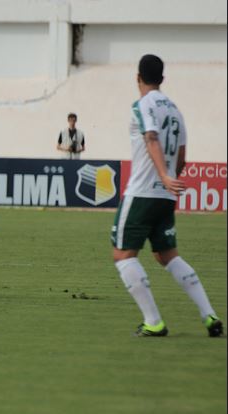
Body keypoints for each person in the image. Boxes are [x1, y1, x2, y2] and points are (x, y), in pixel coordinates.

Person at [111, 54, 222, 337]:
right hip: (165, 195)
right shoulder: (175, 109)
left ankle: (153, 321)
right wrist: (169, 178)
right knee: (166, 254)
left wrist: (161, 175)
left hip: (143, 191)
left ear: (138, 77)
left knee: (123, 254)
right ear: (162, 79)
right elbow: (182, 155)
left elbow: (151, 137)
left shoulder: (143, 104)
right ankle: (210, 316)